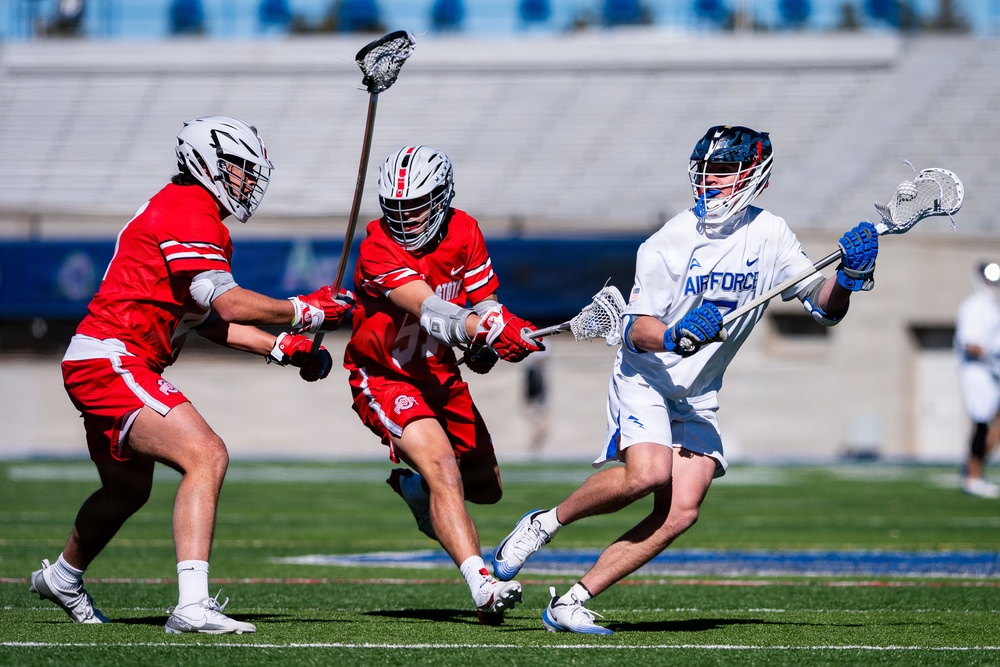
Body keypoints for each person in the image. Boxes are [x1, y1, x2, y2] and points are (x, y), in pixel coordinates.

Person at [491, 125, 880, 634]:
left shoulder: (772, 234)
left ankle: (571, 602)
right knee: (648, 473)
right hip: (647, 376)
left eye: (724, 172)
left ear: (757, 176)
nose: (711, 182)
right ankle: (543, 524)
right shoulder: (666, 242)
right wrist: (676, 336)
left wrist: (848, 278)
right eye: (707, 172)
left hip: (698, 392)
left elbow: (824, 308)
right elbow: (637, 331)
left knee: (681, 511)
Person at [30, 116, 354, 634]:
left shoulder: (191, 212)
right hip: (113, 359)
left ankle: (64, 576)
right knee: (206, 454)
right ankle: (192, 605)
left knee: (126, 492)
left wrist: (281, 348)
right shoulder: (188, 210)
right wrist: (304, 311)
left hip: (107, 359)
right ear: (209, 163)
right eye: (240, 169)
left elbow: (209, 322)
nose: (249, 181)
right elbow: (227, 301)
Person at [343, 145, 545, 624]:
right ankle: (483, 586)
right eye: (396, 210)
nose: (406, 220)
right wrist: (487, 330)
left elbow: (485, 304)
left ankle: (417, 492)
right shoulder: (376, 246)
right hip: (386, 374)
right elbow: (432, 310)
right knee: (442, 467)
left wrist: (490, 338)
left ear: (442, 198)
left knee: (486, 488)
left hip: (440, 375)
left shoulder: (465, 230)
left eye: (416, 207)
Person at [954, 261, 1000, 498]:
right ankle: (972, 476)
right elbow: (972, 344)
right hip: (979, 371)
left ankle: (975, 469)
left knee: (994, 422)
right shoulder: (975, 306)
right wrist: (993, 359)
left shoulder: (991, 306)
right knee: (982, 421)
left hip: (991, 370)